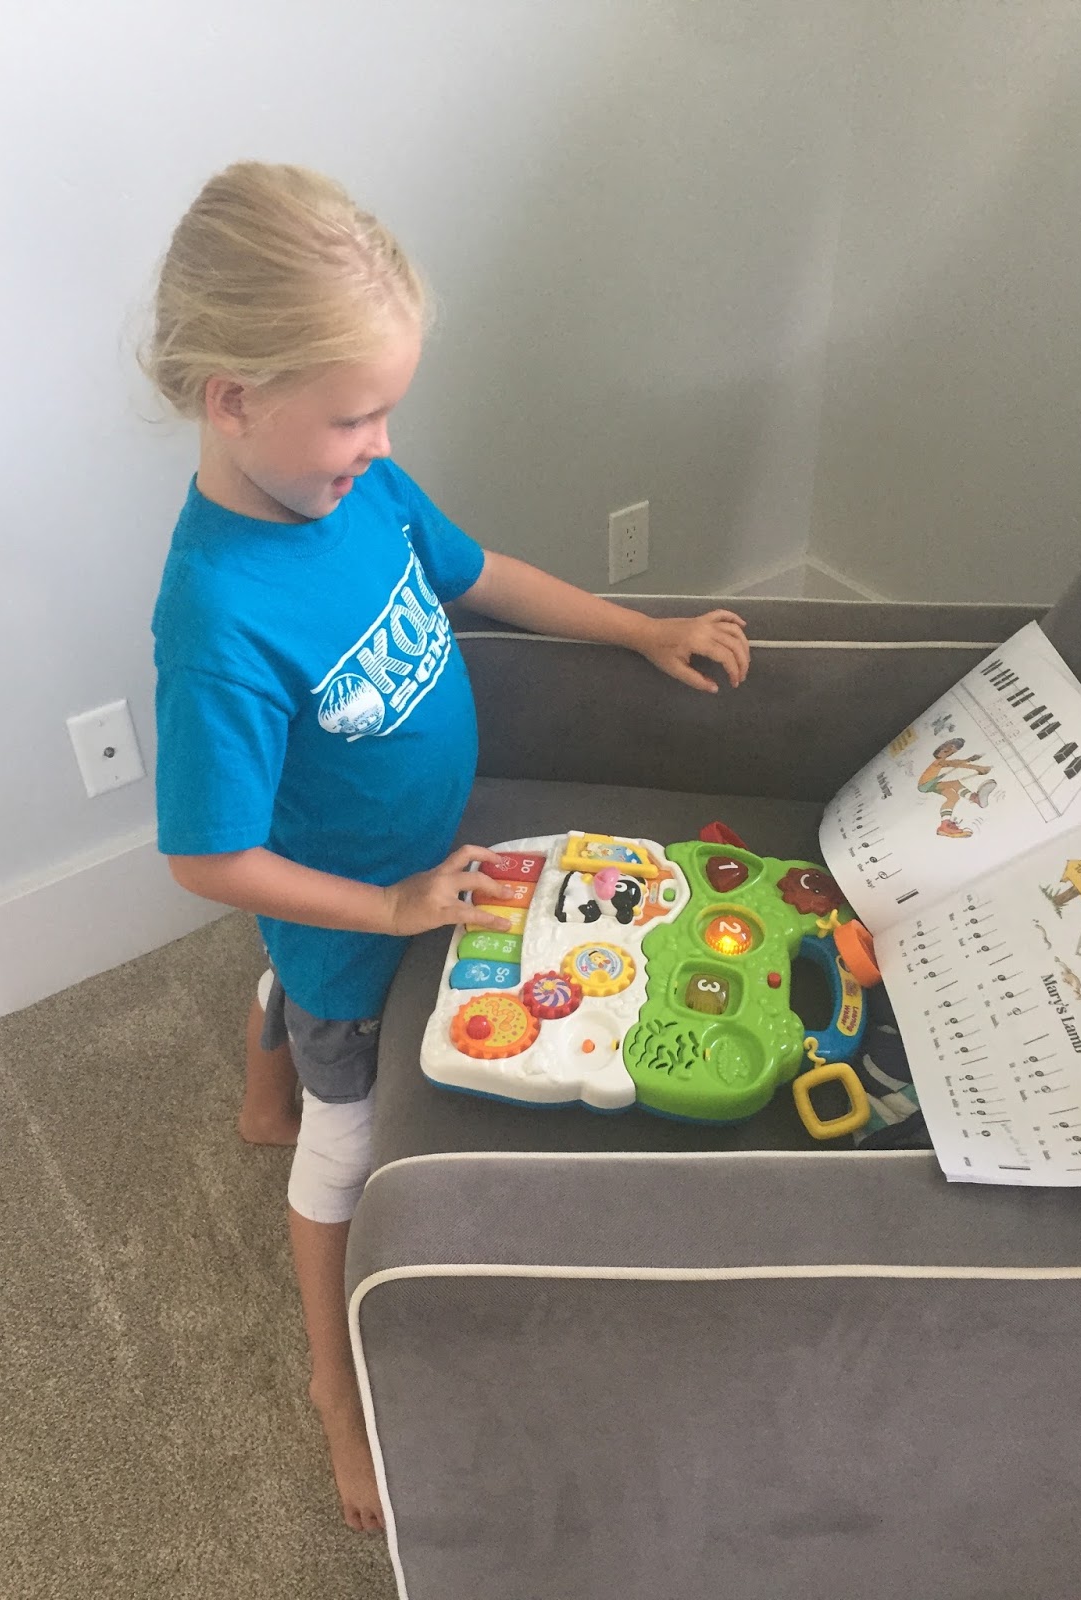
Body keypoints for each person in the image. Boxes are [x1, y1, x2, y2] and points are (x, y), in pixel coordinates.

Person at [144, 161, 750, 1533]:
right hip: (359, 925)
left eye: (387, 410)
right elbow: (208, 858)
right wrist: (388, 907)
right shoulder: (217, 618)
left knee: (293, 996)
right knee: (342, 1146)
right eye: (352, 415)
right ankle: (332, 1390)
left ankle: (260, 1077)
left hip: (424, 863)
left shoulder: (360, 490)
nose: (379, 441)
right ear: (233, 400)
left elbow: (482, 575)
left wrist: (641, 628)